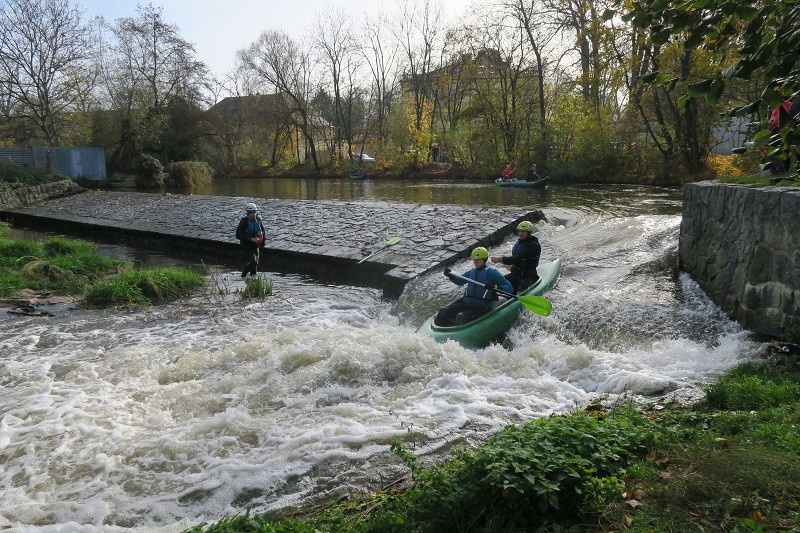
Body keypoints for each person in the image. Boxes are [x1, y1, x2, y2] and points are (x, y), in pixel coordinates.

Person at [434, 247, 514, 326]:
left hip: (481, 307)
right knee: (443, 311)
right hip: (466, 304)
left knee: (461, 317)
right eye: (474, 260)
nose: (475, 262)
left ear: (484, 259)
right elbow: (459, 281)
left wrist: (496, 287)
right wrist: (450, 276)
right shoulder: (471, 272)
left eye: (478, 259)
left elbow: (509, 287)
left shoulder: (492, 273)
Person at [491, 220, 541, 293]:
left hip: (527, 276)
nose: (520, 233)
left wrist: (501, 259)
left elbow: (519, 259)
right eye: (519, 231)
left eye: (523, 231)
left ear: (529, 233)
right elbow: (515, 258)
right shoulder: (520, 242)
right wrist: (502, 259)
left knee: (519, 293)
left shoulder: (533, 245)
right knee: (497, 286)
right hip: (515, 274)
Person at [235, 202, 265, 278]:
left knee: (255, 264)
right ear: (247, 213)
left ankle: (253, 279)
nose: (253, 214)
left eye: (254, 212)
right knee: (253, 261)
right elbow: (238, 235)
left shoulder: (259, 220)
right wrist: (251, 239)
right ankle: (243, 276)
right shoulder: (244, 222)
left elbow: (263, 231)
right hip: (246, 244)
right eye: (251, 212)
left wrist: (262, 241)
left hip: (256, 244)